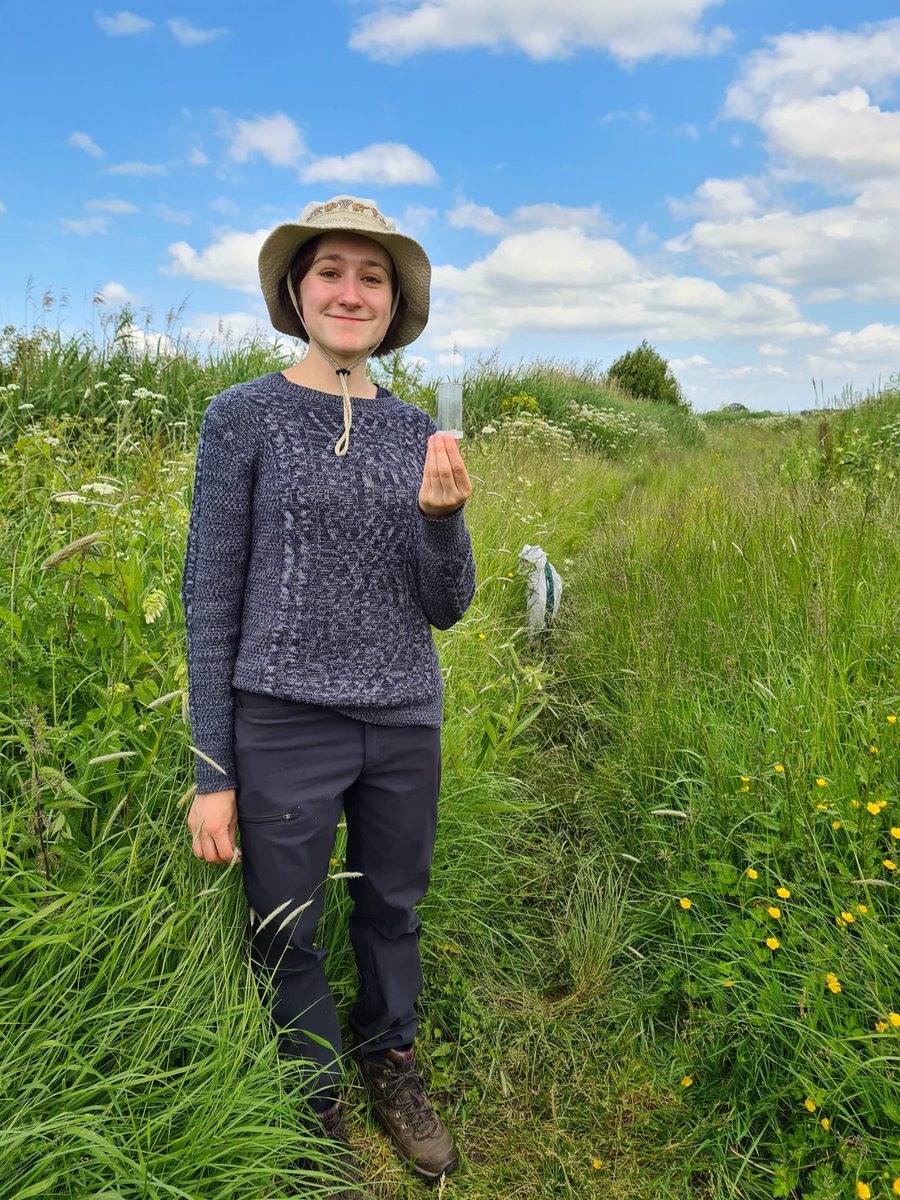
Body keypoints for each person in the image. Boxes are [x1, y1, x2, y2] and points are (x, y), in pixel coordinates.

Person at [180, 195, 476, 1198]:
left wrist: (443, 520)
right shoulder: (242, 417)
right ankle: (312, 1098)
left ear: (395, 304)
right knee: (286, 920)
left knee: (393, 905)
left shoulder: (419, 429)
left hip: (402, 716)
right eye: (332, 272)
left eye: (372, 276)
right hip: (282, 719)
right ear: (297, 292)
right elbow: (210, 596)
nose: (352, 292)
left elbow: (448, 607)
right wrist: (212, 770)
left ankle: (390, 1058)